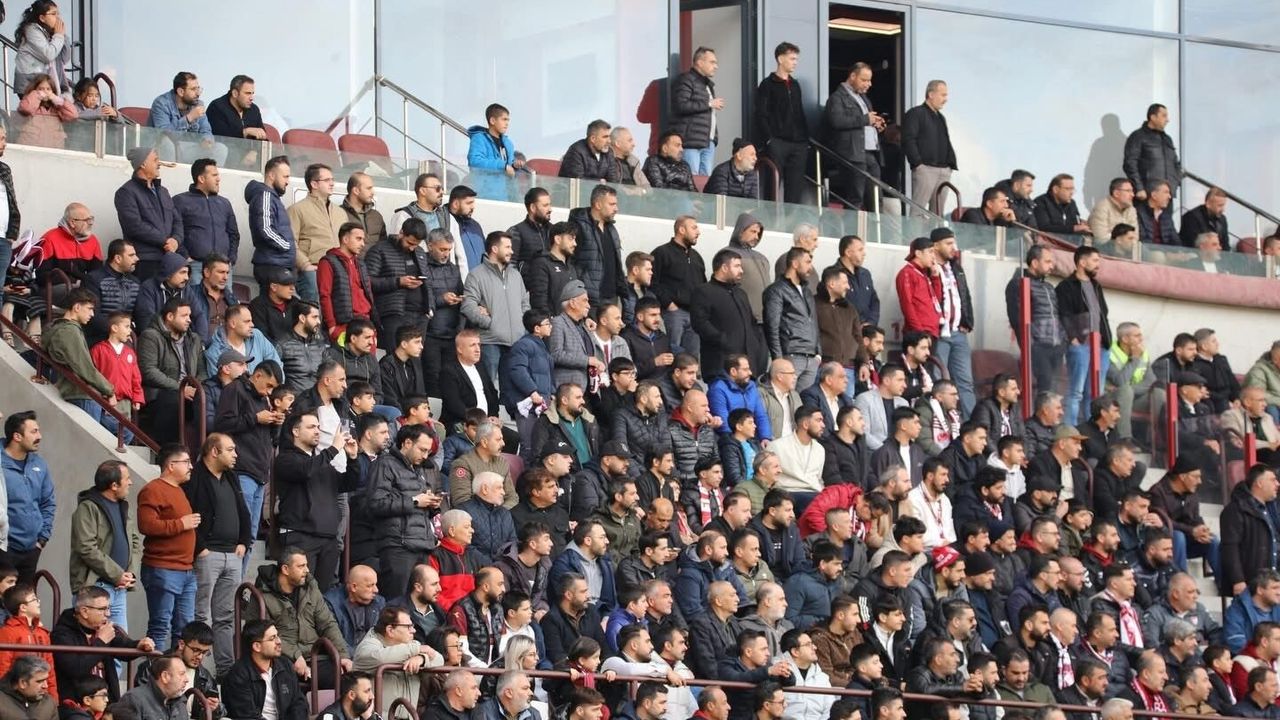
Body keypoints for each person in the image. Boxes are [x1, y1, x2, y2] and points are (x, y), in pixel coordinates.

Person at [184, 433, 250, 673]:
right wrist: (200, 547)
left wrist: (244, 541)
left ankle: (225, 671)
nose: (236, 455)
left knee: (226, 617)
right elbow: (187, 513)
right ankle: (198, 670)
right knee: (201, 614)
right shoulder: (195, 478)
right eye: (230, 450)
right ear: (214, 451)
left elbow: (243, 510)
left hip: (233, 555)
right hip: (207, 554)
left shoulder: (231, 476)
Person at [68, 459, 138, 630]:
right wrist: (117, 574)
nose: (130, 482)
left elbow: (134, 540)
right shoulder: (88, 508)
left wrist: (130, 573)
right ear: (114, 485)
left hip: (119, 589)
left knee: (119, 641)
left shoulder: (122, 506)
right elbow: (86, 547)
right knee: (93, 640)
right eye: (127, 478)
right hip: (94, 587)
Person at [51, 586, 154, 702]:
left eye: (108, 608)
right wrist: (101, 642)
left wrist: (138, 644)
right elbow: (75, 668)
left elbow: (123, 647)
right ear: (84, 612)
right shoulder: (62, 634)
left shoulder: (102, 628)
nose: (108, 614)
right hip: (77, 704)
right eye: (102, 609)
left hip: (107, 703)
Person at [352, 608, 440, 717]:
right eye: (408, 626)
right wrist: (417, 649)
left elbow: (439, 659)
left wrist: (421, 658)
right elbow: (380, 658)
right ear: (390, 630)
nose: (413, 630)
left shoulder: (410, 646)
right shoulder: (367, 646)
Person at [1005, 245, 1065, 398]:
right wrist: (1029, 343)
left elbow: (1057, 315)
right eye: (1047, 261)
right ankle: (1041, 412)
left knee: (1054, 386)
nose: (1052, 266)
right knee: (1045, 384)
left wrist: (1063, 340)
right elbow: (1016, 318)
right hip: (1037, 345)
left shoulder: (1049, 287)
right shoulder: (1018, 284)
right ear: (1034, 263)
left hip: (1056, 344)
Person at [113, 147, 182, 281]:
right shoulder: (126, 192)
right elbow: (134, 225)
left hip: (169, 258)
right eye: (155, 160)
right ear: (143, 164)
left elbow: (177, 221)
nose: (159, 164)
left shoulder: (163, 191)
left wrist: (176, 240)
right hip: (145, 260)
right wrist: (165, 241)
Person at [753, 42, 808, 203]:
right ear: (780, 59)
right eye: (792, 58)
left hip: (799, 143)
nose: (795, 62)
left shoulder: (795, 85)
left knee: (795, 187)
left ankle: (792, 219)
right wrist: (769, 140)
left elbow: (800, 113)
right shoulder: (767, 84)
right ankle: (770, 216)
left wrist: (805, 140)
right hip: (777, 142)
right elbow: (761, 114)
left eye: (796, 59)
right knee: (773, 184)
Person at [221, 620, 309, 720]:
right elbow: (247, 715)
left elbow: (299, 703)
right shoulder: (238, 675)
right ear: (257, 646)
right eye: (272, 638)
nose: (279, 641)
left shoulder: (285, 665)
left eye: (277, 636)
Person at [173, 159, 239, 281]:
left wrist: (231, 259)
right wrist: (185, 257)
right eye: (214, 175)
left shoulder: (224, 203)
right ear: (201, 179)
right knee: (195, 294)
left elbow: (233, 234)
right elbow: (174, 232)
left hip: (223, 267)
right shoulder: (180, 201)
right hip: (195, 266)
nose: (218, 179)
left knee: (224, 295)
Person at [765, 247, 821, 389]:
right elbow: (772, 325)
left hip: (811, 357)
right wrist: (778, 358)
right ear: (795, 264)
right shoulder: (776, 290)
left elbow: (814, 322)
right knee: (785, 396)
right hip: (790, 356)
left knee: (804, 401)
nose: (810, 267)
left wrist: (818, 353)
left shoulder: (807, 291)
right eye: (807, 262)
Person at [1222, 464, 1280, 596]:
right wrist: (1238, 580)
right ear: (1259, 483)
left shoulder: (1272, 512)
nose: (1277, 484)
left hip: (1272, 584)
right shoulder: (1236, 510)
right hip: (1250, 584)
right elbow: (1230, 547)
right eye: (1272, 480)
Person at [900, 79, 956, 215]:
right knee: (918, 212)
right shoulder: (915, 113)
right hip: (925, 169)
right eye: (943, 95)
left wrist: (949, 165)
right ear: (931, 94)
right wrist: (918, 164)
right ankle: (914, 232)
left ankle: (936, 232)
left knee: (938, 213)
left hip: (944, 169)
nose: (945, 99)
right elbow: (908, 139)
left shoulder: (941, 117)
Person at [569, 184, 626, 307]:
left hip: (612, 297)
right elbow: (570, 262)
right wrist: (581, 288)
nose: (616, 209)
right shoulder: (578, 227)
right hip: (589, 299)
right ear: (598, 205)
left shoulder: (611, 229)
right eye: (611, 204)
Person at [668, 47, 722, 175]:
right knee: (692, 180)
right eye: (712, 62)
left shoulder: (707, 85)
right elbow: (681, 105)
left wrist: (714, 139)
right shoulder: (686, 79)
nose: (716, 66)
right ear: (699, 62)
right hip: (691, 143)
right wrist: (709, 103)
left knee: (705, 183)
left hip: (707, 142)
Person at [1123, 104, 1181, 201]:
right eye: (1164, 116)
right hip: (1147, 195)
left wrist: (1175, 183)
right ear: (1153, 117)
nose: (1167, 120)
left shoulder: (1167, 139)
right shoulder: (1138, 136)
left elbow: (1176, 164)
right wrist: (1139, 188)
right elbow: (1130, 163)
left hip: (1166, 196)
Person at [466, 103, 521, 193]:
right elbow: (475, 161)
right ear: (492, 121)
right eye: (504, 119)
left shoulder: (508, 143)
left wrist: (515, 165)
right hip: (485, 194)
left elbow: (509, 166)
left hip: (505, 195)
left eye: (508, 120)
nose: (507, 123)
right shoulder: (479, 138)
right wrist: (503, 166)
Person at [206, 74, 266, 141]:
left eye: (252, 93)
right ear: (235, 93)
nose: (251, 98)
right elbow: (220, 138)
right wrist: (245, 132)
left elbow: (262, 138)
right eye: (247, 93)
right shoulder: (216, 107)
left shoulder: (254, 109)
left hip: (251, 148)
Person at [507, 187, 552, 270]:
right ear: (533, 208)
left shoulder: (554, 231)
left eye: (550, 205)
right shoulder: (516, 232)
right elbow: (510, 266)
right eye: (545, 205)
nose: (550, 209)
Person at [0, 655, 55, 720]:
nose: (46, 686)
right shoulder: (2, 703)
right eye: (39, 681)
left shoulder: (49, 703)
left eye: (46, 680)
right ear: (23, 683)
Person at [1136, 180, 1178, 246]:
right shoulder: (1139, 213)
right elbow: (1142, 239)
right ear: (1154, 195)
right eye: (1166, 192)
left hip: (1166, 251)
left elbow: (1176, 240)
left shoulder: (1166, 216)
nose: (1169, 197)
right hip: (1147, 251)